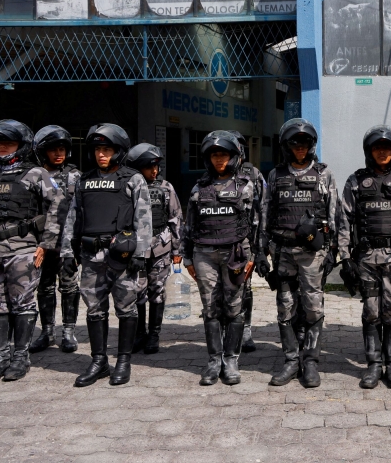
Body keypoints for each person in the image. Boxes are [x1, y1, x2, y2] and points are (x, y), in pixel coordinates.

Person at [0, 120, 63, 382]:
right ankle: (0, 358)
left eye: (8, 142)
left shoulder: (36, 174)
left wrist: (45, 244)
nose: (2, 147)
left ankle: (20, 358)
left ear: (22, 146)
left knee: (22, 304)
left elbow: (56, 208)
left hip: (21, 250)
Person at [62, 124, 152, 387]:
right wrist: (68, 252)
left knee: (126, 308)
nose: (102, 154)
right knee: (94, 309)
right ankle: (99, 361)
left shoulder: (133, 179)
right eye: (98, 150)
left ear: (119, 151)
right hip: (91, 256)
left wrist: (141, 254)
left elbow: (143, 219)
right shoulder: (83, 180)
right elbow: (73, 217)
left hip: (121, 257)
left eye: (107, 149)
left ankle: (123, 361)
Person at [338, 125, 391, 390]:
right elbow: (344, 219)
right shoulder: (355, 181)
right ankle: (374, 365)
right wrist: (344, 258)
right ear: (369, 151)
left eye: (387, 148)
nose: (382, 152)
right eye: (377, 148)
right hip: (365, 259)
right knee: (371, 312)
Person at [262, 118, 337, 388]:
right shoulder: (276, 175)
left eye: (305, 143)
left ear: (311, 145)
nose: (300, 148)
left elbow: (333, 214)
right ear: (286, 146)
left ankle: (311, 362)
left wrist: (333, 251)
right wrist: (262, 250)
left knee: (313, 308)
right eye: (295, 143)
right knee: (285, 309)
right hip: (283, 253)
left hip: (311, 254)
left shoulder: (323, 174)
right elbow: (266, 214)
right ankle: (291, 360)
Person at [182, 132, 258, 386]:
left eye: (224, 154)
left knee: (234, 306)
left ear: (234, 157)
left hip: (235, 254)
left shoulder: (246, 186)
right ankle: (214, 361)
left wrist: (254, 256)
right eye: (215, 155)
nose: (219, 160)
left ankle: (231, 360)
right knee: (211, 308)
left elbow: (257, 223)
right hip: (204, 254)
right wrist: (187, 259)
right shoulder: (199, 187)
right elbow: (189, 225)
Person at [28, 125, 83, 355]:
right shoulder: (32, 175)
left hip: (67, 243)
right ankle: (47, 331)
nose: (58, 153)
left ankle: (68, 332)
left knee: (69, 286)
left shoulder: (75, 176)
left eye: (62, 149)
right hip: (40, 244)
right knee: (44, 286)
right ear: (43, 151)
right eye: (53, 150)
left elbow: (82, 210)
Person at [126, 143, 182, 355]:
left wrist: (177, 251)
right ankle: (139, 334)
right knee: (138, 292)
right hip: (136, 250)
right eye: (149, 167)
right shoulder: (129, 187)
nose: (155, 171)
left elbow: (176, 219)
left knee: (157, 292)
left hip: (161, 247)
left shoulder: (166, 188)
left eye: (157, 166)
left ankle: (154, 335)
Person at [230, 131, 268, 354]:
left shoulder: (253, 174)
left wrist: (261, 246)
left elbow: (264, 208)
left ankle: (245, 331)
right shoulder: (215, 174)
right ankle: (226, 331)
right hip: (219, 240)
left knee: (245, 287)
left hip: (246, 242)